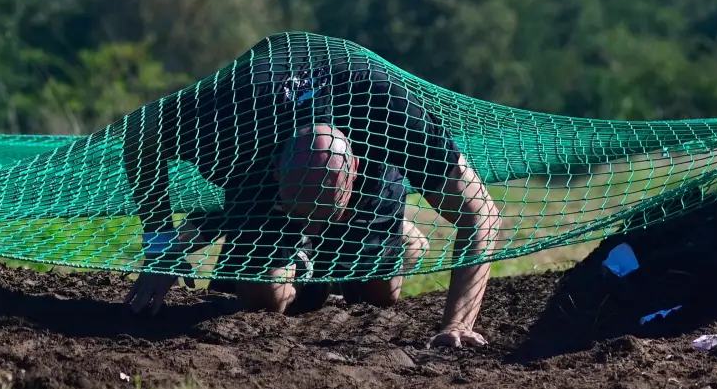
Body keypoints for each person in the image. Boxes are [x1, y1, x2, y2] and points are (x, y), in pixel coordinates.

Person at [122, 33, 503, 348]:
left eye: (323, 217)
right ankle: (289, 250)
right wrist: (160, 243)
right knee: (261, 298)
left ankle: (396, 236)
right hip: (262, 143)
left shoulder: (391, 110)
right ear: (275, 171)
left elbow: (481, 213)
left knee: (378, 293)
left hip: (368, 156)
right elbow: (139, 132)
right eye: (303, 215)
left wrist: (458, 325)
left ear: (352, 172)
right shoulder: (231, 111)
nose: (314, 227)